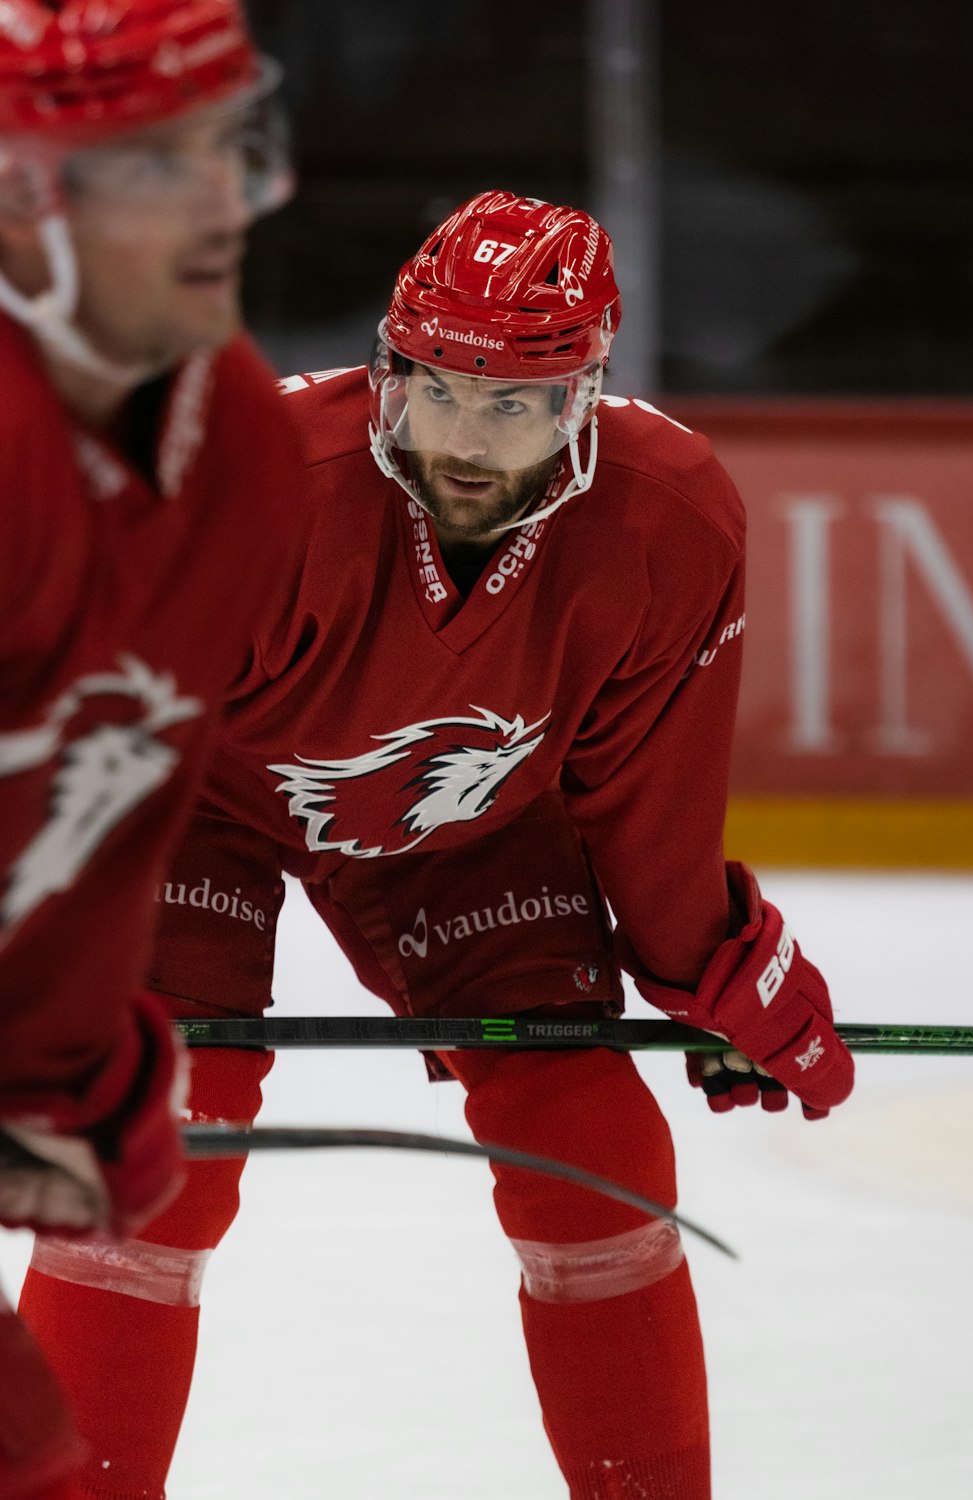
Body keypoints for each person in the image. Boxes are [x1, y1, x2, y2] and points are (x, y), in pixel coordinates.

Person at [19, 190, 855, 1500]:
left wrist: (717, 967)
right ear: (388, 365)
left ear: (586, 394)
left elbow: (646, 800)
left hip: (461, 822)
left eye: (518, 401)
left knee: (594, 1150)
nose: (469, 437)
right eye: (441, 388)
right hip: (188, 800)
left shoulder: (669, 522)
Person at [0, 3, 312, 1496]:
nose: (217, 203)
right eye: (148, 163)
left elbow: (99, 818)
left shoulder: (238, 445)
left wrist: (68, 1065)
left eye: (224, 144)